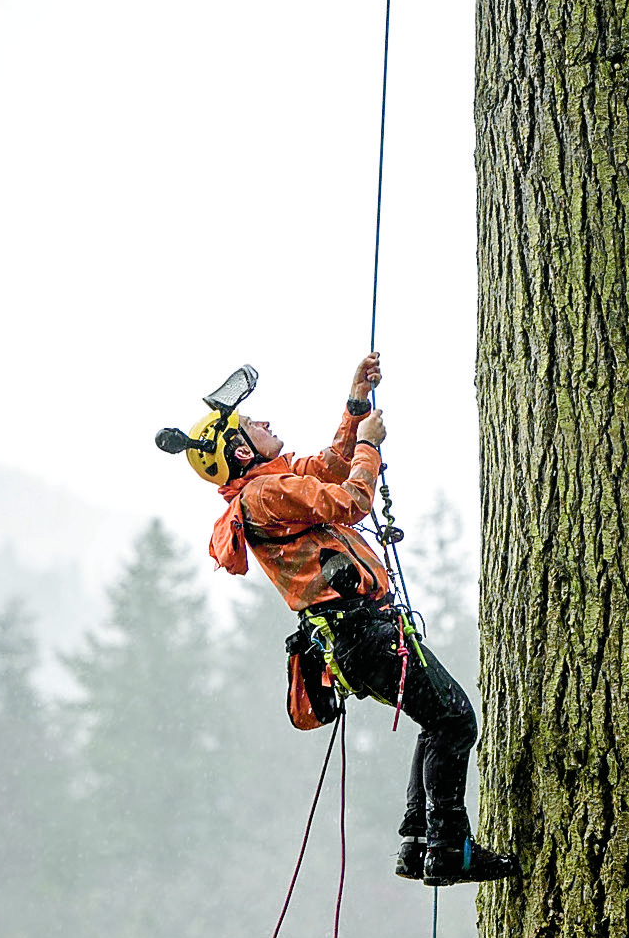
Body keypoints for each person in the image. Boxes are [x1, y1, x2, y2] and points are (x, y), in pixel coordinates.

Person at [158, 353, 516, 887]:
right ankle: (447, 848)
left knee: (438, 718)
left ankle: (420, 842)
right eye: (254, 425)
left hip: (355, 636)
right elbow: (349, 500)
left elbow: (326, 467)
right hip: (362, 631)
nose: (266, 423)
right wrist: (370, 444)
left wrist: (355, 406)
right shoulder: (265, 492)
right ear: (239, 449)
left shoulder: (266, 485)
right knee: (454, 720)